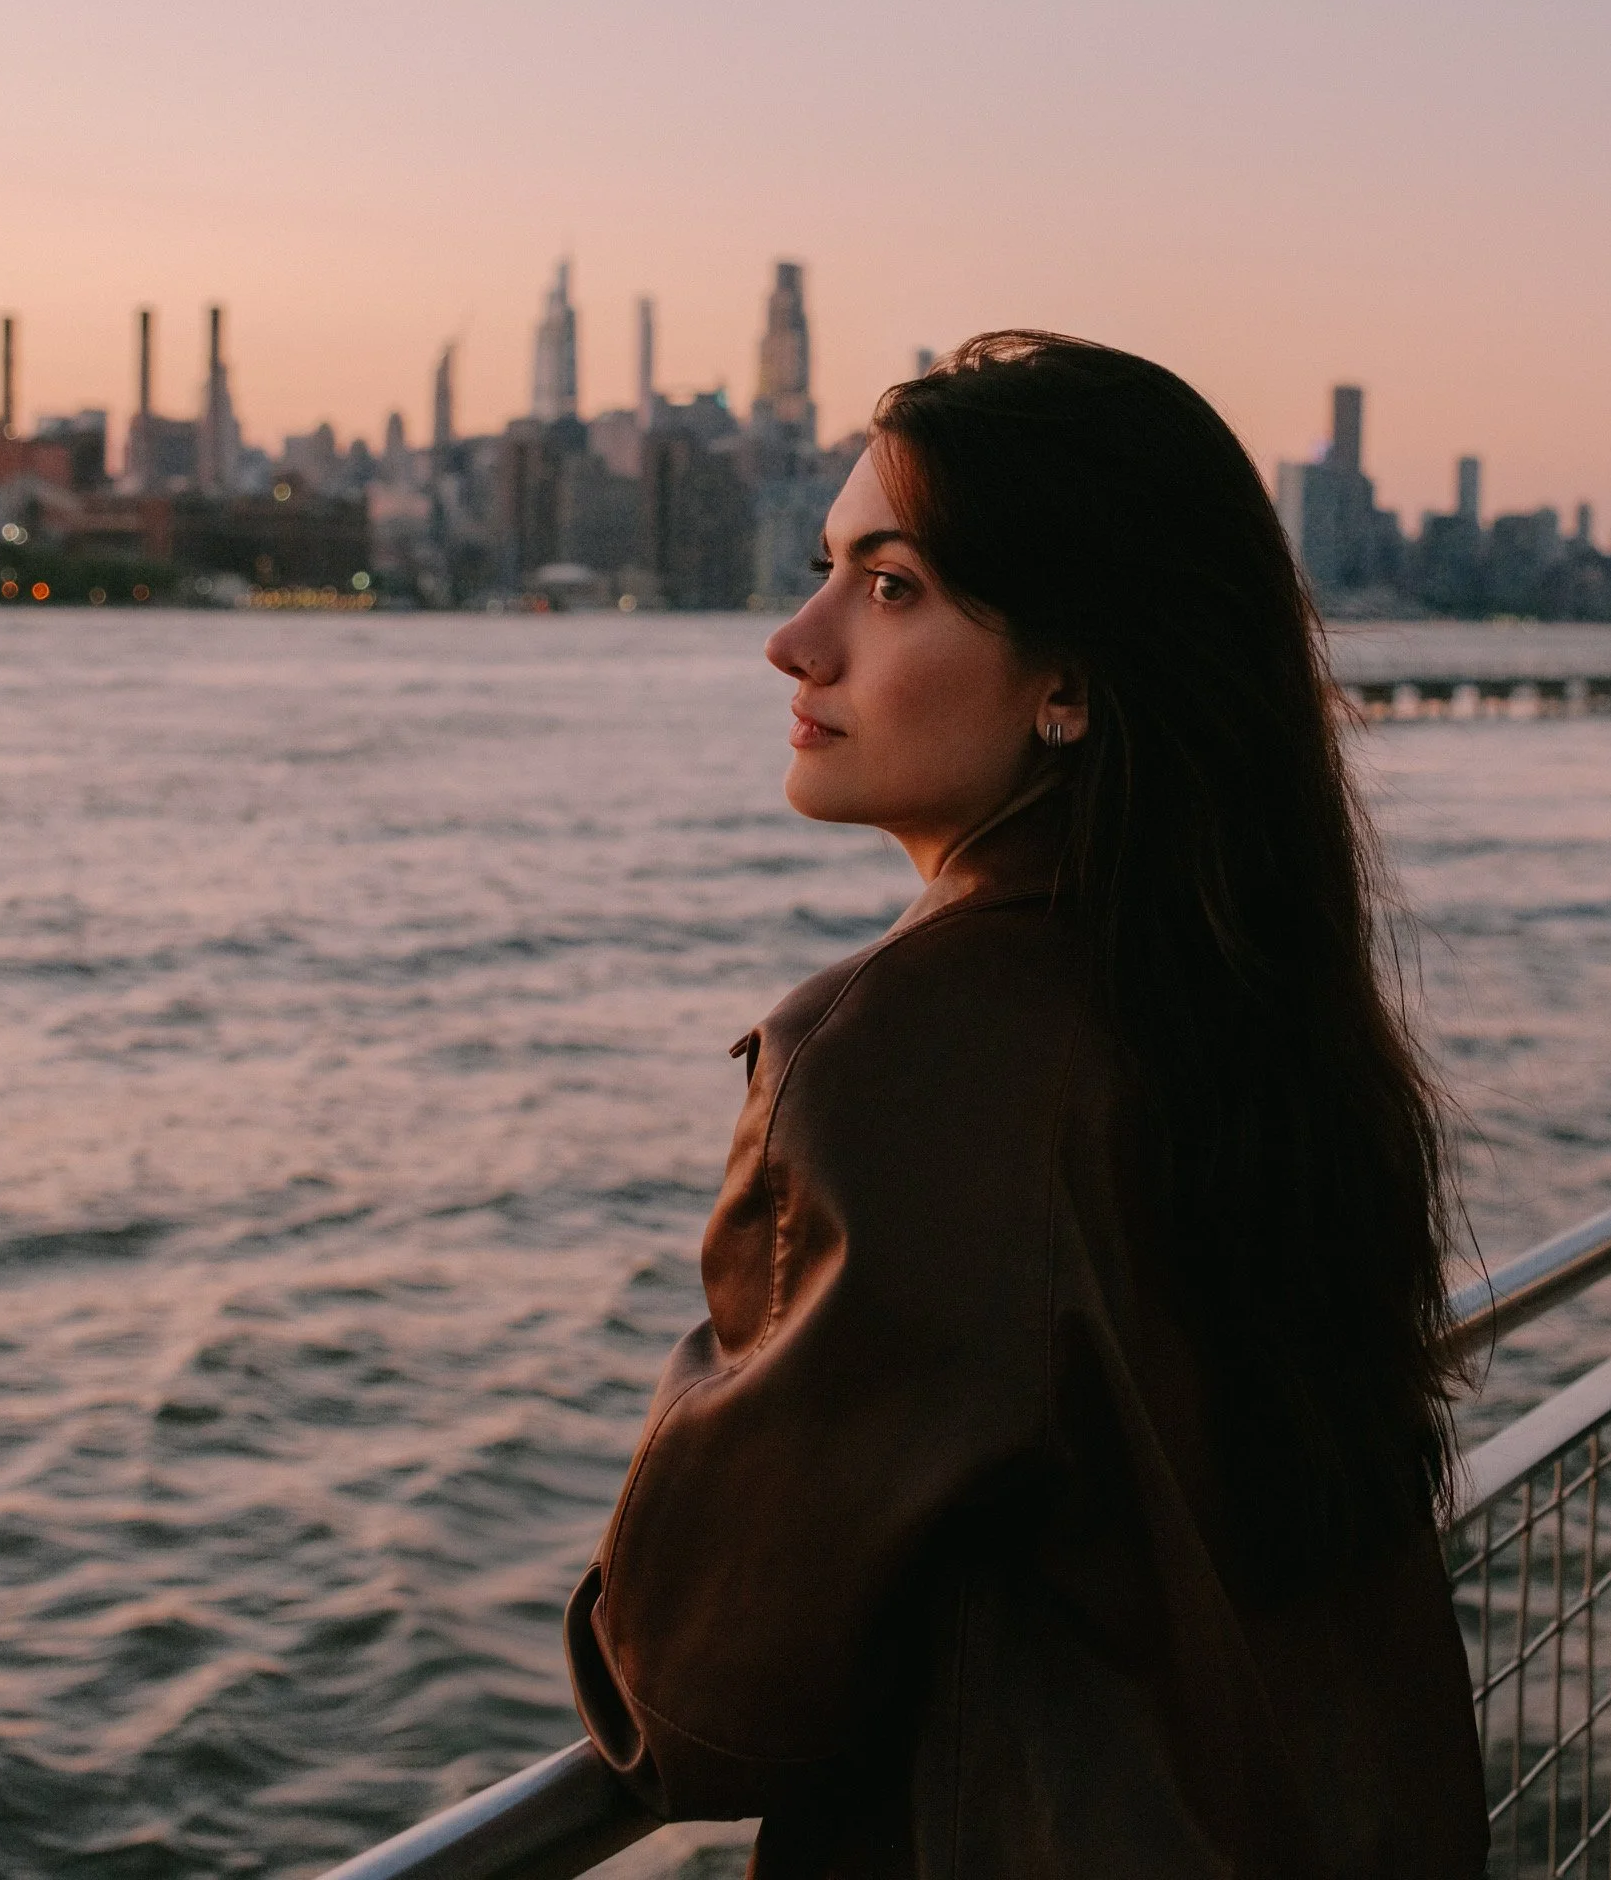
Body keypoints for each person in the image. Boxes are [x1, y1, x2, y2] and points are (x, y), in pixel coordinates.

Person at [564, 333, 1488, 1877]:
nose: (794, 642)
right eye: (822, 569)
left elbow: (689, 1705)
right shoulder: (1267, 1014)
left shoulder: (896, 1056)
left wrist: (742, 1340)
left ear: (1068, 680)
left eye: (891, 585)